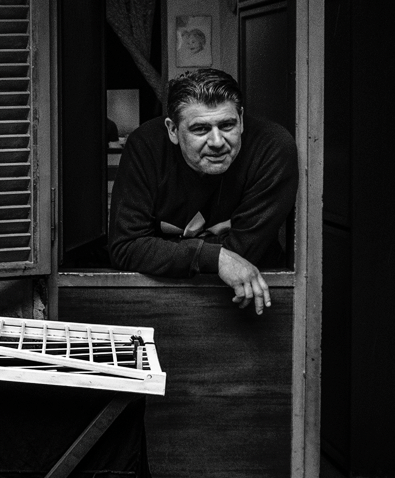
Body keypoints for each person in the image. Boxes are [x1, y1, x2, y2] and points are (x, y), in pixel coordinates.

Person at [108, 68, 298, 314]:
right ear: (173, 130)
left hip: (254, 301)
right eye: (200, 129)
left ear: (240, 119)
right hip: (158, 299)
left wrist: (161, 249)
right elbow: (125, 247)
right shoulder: (146, 145)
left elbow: (243, 252)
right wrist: (214, 257)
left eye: (227, 125)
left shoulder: (273, 147)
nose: (217, 141)